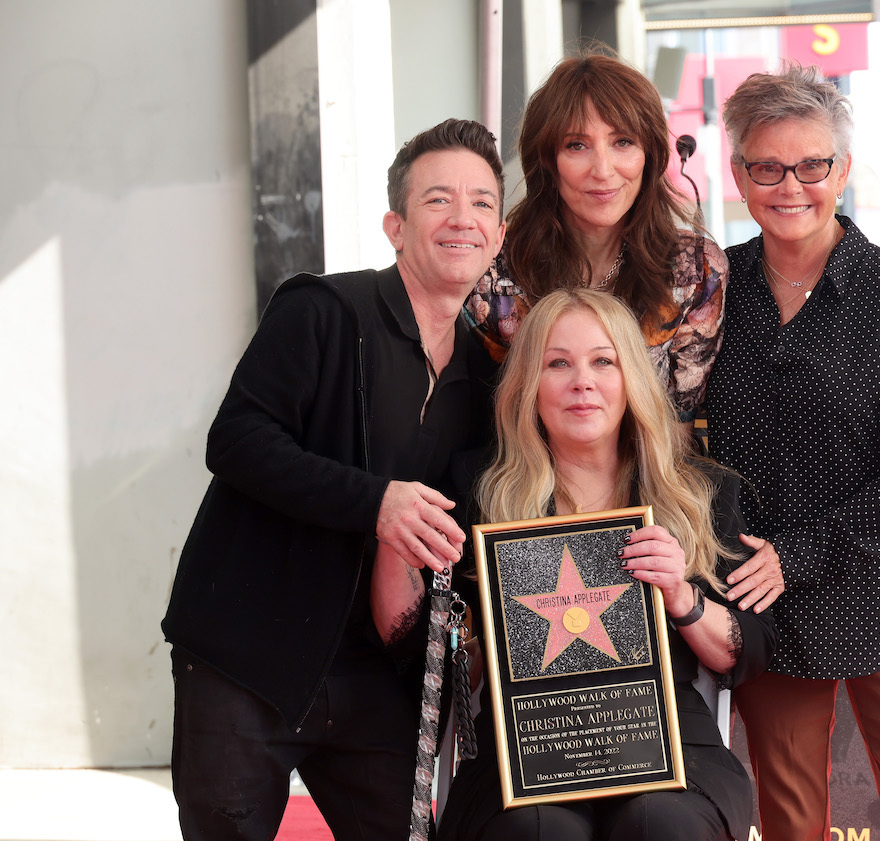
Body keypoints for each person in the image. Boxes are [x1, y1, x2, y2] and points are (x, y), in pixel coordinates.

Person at [160, 119, 507, 841]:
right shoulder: (322, 310)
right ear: (396, 225)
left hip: (377, 675)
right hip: (248, 651)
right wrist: (377, 503)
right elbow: (238, 440)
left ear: (500, 234)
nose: (462, 218)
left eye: (481, 202)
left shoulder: (488, 374)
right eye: (438, 199)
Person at [704, 64, 880, 841]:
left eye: (812, 164)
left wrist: (799, 551)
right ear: (739, 173)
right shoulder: (712, 287)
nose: (791, 186)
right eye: (767, 166)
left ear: (841, 169)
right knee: (786, 823)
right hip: (763, 596)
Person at [438, 289, 776, 841]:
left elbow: (749, 654)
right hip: (522, 747)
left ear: (632, 380)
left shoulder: (700, 492)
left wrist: (681, 598)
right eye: (557, 363)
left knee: (658, 824)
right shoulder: (478, 490)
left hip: (669, 745)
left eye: (603, 361)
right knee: (541, 831)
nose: (582, 381)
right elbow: (446, 661)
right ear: (529, 384)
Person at [463, 49, 728, 431]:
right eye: (577, 145)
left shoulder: (695, 270)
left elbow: (679, 428)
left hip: (649, 482)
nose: (603, 171)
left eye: (623, 142)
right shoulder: (493, 269)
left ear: (649, 155)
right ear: (548, 161)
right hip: (520, 480)